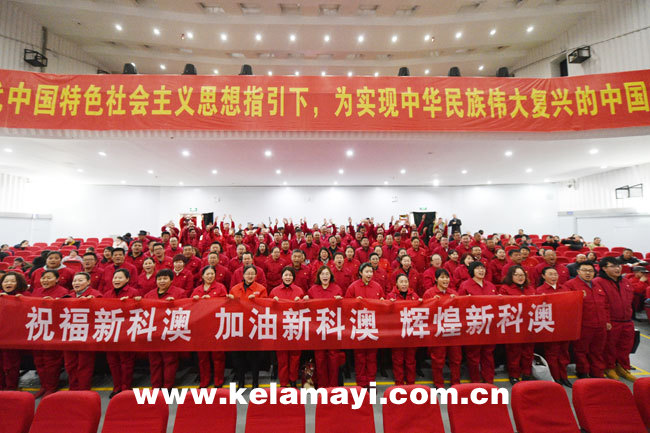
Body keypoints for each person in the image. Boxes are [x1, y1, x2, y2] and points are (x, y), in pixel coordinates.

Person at [564, 262, 609, 379]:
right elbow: (567, 305)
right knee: (581, 350)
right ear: (578, 272)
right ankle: (583, 372)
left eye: (590, 271)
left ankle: (597, 372)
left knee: (598, 350)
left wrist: (607, 321)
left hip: (600, 324)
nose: (588, 273)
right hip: (583, 325)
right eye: (584, 270)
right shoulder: (570, 285)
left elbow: (605, 305)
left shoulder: (598, 285)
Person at [594, 257, 636, 382]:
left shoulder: (625, 281)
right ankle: (609, 367)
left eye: (618, 266)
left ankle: (623, 367)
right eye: (613, 266)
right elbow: (601, 304)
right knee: (610, 346)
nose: (617, 269)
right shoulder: (598, 282)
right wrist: (606, 320)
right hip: (612, 321)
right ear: (604, 268)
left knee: (625, 346)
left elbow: (630, 300)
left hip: (627, 320)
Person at [143, 269, 185, 389]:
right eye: (159, 279)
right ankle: (156, 386)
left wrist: (175, 304)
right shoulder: (149, 295)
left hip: (169, 331)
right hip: (153, 332)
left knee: (169, 360)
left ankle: (168, 386)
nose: (162, 281)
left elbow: (185, 310)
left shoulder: (179, 293)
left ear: (171, 280)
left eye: (165, 278)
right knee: (154, 361)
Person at [31, 270, 69, 398]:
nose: (45, 280)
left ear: (57, 279)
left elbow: (65, 310)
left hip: (53, 330)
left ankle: (51, 386)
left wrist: (54, 302)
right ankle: (43, 386)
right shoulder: (36, 291)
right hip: (38, 329)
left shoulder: (63, 292)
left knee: (51, 360)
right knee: (39, 360)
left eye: (49, 278)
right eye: (43, 278)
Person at [345, 263, 384, 388]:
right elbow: (346, 306)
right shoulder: (353, 287)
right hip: (358, 326)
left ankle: (371, 383)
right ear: (361, 273)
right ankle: (361, 384)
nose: (369, 274)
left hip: (373, 326)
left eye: (371, 272)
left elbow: (383, 304)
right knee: (360, 357)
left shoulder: (377, 286)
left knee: (372, 357)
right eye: (366, 272)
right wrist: (354, 303)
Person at [458, 261, 498, 384]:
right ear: (472, 271)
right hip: (473, 325)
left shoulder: (490, 285)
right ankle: (475, 381)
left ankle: (489, 380)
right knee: (473, 356)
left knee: (488, 354)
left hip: (488, 325)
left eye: (483, 268)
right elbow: (460, 305)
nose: (481, 271)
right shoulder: (465, 285)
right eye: (478, 268)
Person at [229, 265, 268, 388]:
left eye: (252, 274)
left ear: (256, 275)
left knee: (254, 356)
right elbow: (230, 308)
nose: (250, 276)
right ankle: (241, 381)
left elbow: (265, 306)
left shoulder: (261, 289)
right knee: (239, 356)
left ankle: (255, 382)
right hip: (238, 326)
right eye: (247, 273)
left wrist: (257, 301)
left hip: (254, 326)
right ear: (243, 275)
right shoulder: (235, 289)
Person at [62, 272, 102, 390]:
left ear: (88, 282)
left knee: (84, 364)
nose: (76, 283)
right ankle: (73, 388)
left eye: (80, 280)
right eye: (75, 281)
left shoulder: (96, 295)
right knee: (70, 364)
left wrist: (92, 302)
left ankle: (83, 389)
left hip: (86, 334)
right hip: (69, 334)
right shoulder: (68, 296)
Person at [423, 269, 462, 388]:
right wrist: (432, 302)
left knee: (456, 359)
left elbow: (462, 311)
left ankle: (455, 383)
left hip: (453, 331)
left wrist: (457, 301)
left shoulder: (454, 293)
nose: (445, 280)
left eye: (447, 277)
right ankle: (439, 384)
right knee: (438, 360)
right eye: (442, 277)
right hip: (438, 332)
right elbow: (424, 313)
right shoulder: (429, 293)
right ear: (436, 279)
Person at [104, 268, 139, 398]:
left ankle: (125, 387)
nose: (116, 280)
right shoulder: (107, 294)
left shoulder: (133, 292)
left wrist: (130, 303)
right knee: (112, 362)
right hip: (111, 331)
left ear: (127, 279)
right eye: (115, 278)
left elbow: (139, 310)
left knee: (126, 361)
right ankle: (116, 386)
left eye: (120, 278)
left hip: (126, 331)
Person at [307, 266, 344, 388]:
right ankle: (322, 387)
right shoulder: (312, 290)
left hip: (333, 328)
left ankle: (333, 387)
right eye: (322, 274)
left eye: (327, 274)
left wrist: (340, 301)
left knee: (333, 359)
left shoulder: (337, 289)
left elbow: (342, 308)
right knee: (320, 359)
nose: (325, 276)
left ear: (331, 276)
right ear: (319, 276)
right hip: (318, 329)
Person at [191, 266, 228, 388]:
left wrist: (211, 300)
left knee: (218, 355)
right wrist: (194, 301)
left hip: (216, 326)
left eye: (212, 274)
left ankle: (218, 380)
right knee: (203, 357)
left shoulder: (220, 287)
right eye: (207, 274)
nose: (210, 276)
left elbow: (225, 304)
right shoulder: (197, 290)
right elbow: (190, 308)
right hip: (201, 327)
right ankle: (204, 380)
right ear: (202, 276)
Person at [270, 267, 307, 387]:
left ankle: (293, 380)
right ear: (282, 276)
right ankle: (283, 382)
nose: (288, 277)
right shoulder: (274, 291)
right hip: (280, 329)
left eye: (290, 275)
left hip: (295, 328)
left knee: (295, 358)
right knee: (282, 359)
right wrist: (272, 303)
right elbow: (268, 311)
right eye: (286, 275)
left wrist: (302, 302)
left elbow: (305, 310)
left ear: (293, 277)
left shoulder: (299, 291)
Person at [499, 265, 536, 384]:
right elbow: (503, 305)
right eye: (517, 275)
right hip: (513, 324)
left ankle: (527, 373)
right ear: (511, 276)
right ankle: (514, 374)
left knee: (528, 351)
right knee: (514, 352)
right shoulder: (505, 288)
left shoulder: (530, 288)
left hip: (528, 323)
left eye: (522, 275)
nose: (520, 277)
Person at [536, 267, 572, 387]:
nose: (554, 276)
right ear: (543, 276)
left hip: (564, 325)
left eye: (555, 274)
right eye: (550, 274)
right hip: (550, 326)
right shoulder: (540, 290)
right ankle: (555, 377)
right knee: (552, 353)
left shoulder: (565, 288)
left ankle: (564, 376)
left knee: (564, 352)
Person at [387, 273, 419, 385]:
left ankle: (411, 383)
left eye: (406, 282)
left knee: (411, 360)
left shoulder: (414, 296)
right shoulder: (391, 296)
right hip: (397, 333)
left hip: (411, 332)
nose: (404, 284)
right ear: (396, 284)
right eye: (401, 282)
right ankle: (399, 383)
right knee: (398, 360)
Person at [0, 272, 28, 390]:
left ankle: (11, 388)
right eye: (6, 281)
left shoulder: (25, 296)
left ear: (18, 283)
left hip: (13, 336)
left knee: (10, 365)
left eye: (12, 281)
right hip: (1, 334)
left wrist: (21, 301)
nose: (9, 283)